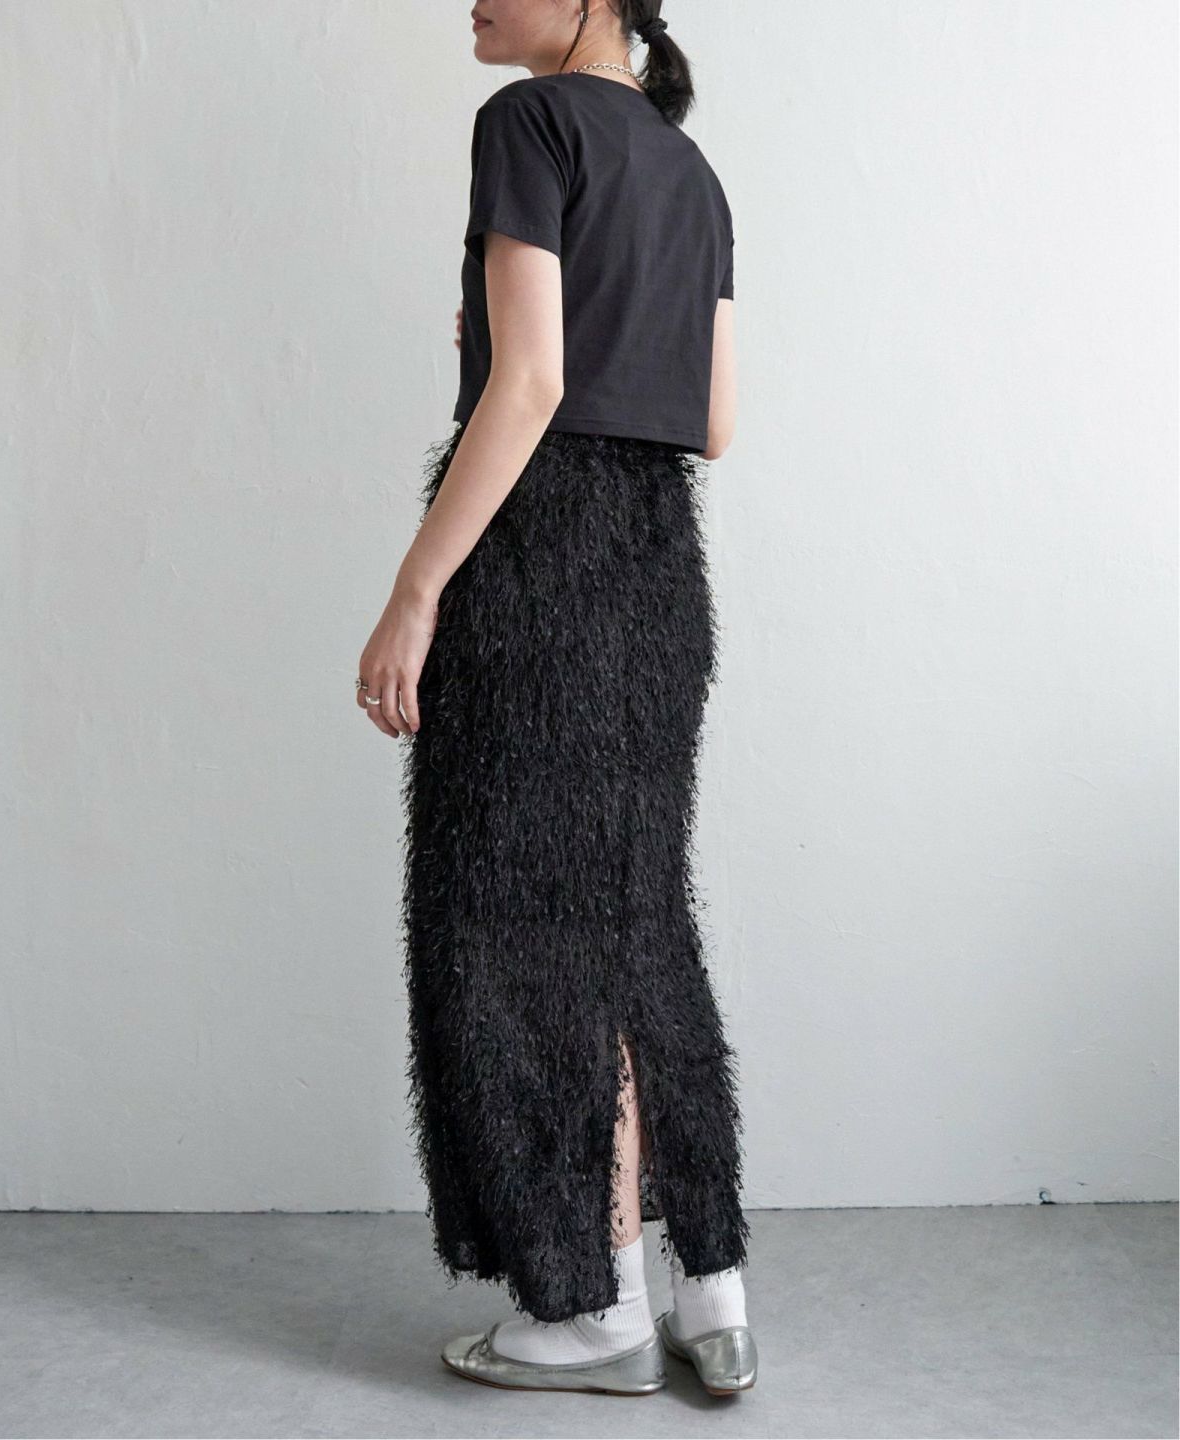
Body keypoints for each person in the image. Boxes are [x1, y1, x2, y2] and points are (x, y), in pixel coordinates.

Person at [356, 0, 757, 1398]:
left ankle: (591, 1311)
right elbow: (713, 425)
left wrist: (416, 591)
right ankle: (708, 1294)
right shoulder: (690, 168)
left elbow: (528, 385)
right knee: (638, 916)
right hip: (659, 572)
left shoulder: (527, 122)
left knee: (518, 934)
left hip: (541, 568)